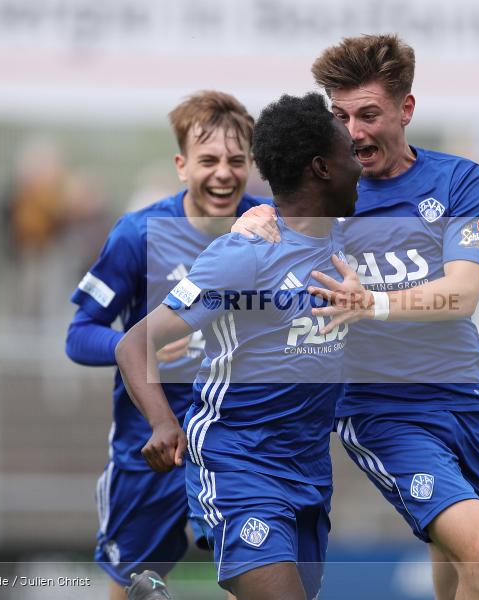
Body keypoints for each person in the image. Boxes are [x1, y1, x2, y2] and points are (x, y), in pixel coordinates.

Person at [235, 34, 479, 599]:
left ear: (406, 109)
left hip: (464, 397)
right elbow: (249, 274)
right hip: (379, 407)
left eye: (368, 114)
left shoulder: (459, 181)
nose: (353, 132)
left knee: (458, 559)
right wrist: (247, 228)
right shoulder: (320, 196)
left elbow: (461, 294)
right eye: (340, 116)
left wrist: (370, 303)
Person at [115, 92, 361, 600]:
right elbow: (135, 342)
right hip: (238, 464)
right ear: (321, 168)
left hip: (308, 468)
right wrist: (164, 422)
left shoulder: (345, 241)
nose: (361, 167)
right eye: (350, 157)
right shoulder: (245, 254)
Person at [65, 90, 266, 600]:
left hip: (236, 439)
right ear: (182, 165)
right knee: (135, 585)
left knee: (253, 576)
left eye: (236, 161)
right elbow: (79, 334)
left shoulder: (269, 226)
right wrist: (138, 347)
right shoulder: (138, 234)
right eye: (208, 161)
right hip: (153, 443)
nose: (223, 173)